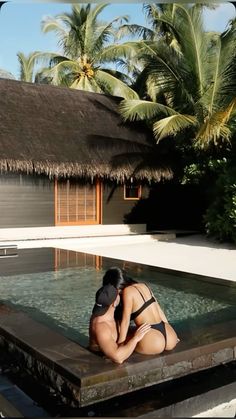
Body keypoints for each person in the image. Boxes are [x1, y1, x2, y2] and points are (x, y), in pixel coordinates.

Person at [102, 267, 180, 355]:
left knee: (127, 339)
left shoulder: (128, 292)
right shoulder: (144, 285)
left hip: (153, 341)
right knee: (134, 331)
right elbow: (160, 310)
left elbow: (125, 322)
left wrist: (120, 344)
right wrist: (172, 332)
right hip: (170, 336)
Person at [89, 283, 151, 364]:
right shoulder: (101, 327)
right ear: (115, 303)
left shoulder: (104, 312)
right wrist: (135, 339)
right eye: (118, 295)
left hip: (110, 346)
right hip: (101, 359)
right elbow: (118, 358)